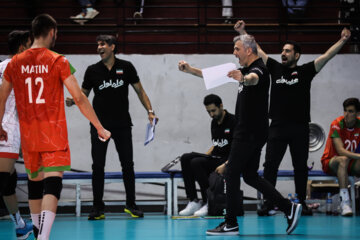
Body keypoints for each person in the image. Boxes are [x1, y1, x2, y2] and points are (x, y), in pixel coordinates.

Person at [0, 14, 110, 240]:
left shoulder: (14, 63)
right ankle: (43, 237)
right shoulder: (58, 60)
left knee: (34, 185)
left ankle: (36, 233)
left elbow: (1, 99)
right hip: (53, 131)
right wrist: (99, 126)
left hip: (28, 134)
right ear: (51, 32)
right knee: (53, 183)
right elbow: (79, 97)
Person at [178, 34, 302, 236]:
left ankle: (230, 222)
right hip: (255, 132)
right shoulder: (244, 69)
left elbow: (253, 80)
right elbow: (213, 75)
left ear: (248, 50)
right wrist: (190, 70)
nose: (234, 53)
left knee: (231, 173)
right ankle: (288, 207)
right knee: (251, 176)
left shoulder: (258, 69)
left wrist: (244, 78)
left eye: (237, 49)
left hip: (248, 132)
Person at [234, 20, 352, 216]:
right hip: (277, 127)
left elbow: (327, 56)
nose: (283, 53)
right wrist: (242, 31)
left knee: (300, 166)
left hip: (299, 128)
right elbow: (257, 50)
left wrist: (342, 40)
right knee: (270, 166)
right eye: (282, 50)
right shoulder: (273, 67)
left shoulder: (306, 71)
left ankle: (301, 203)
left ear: (297, 55)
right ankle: (270, 203)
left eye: (288, 51)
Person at [66, 34, 158, 220]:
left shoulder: (126, 67)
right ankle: (97, 208)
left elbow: (140, 90)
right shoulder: (92, 71)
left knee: (128, 165)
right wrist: (73, 101)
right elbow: (83, 94)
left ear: (112, 47)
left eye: (103, 44)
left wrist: (150, 110)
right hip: (99, 125)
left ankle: (131, 205)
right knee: (98, 166)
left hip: (123, 124)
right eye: (97, 44)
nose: (99, 47)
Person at [178, 94, 236, 217]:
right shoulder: (214, 123)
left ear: (221, 106)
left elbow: (238, 148)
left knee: (196, 163)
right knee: (186, 158)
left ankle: (209, 201)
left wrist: (226, 164)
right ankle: (193, 200)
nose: (211, 114)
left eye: (213, 111)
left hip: (227, 160)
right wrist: (204, 156)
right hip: (215, 157)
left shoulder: (233, 121)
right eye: (208, 112)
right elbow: (216, 145)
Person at [0, 30, 33, 240]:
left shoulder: (3, 66)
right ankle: (21, 225)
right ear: (22, 48)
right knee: (4, 181)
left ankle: (20, 225)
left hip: (8, 131)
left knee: (6, 184)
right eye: (30, 45)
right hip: (7, 131)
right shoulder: (20, 70)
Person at [321, 98, 360, 216]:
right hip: (331, 161)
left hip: (351, 162)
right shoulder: (336, 124)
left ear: (358, 113)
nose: (346, 114)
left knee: (347, 161)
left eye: (350, 111)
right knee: (343, 159)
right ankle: (345, 203)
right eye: (345, 111)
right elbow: (341, 151)